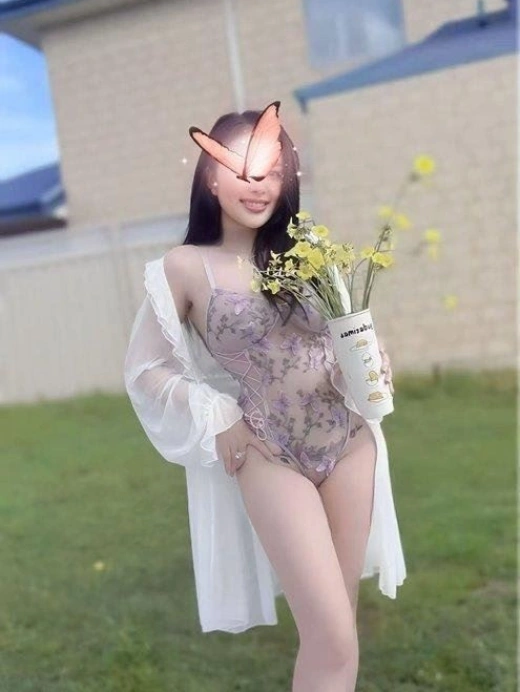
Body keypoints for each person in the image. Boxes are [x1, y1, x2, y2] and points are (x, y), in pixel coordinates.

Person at [124, 104, 406, 692]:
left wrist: (372, 357)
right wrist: (218, 414)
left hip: (350, 444)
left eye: (272, 171)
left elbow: (346, 333)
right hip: (269, 452)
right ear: (210, 177)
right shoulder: (185, 267)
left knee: (339, 635)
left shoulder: (308, 251)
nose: (258, 185)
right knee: (330, 634)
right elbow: (146, 369)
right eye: (242, 170)